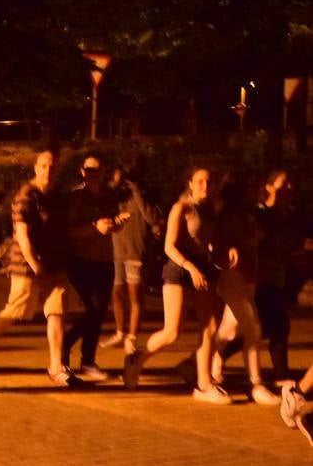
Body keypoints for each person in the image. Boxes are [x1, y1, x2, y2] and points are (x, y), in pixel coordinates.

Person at [122, 167, 229, 402]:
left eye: (209, 181)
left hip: (203, 269)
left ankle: (204, 385)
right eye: (199, 181)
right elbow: (169, 246)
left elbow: (210, 243)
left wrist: (225, 253)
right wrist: (190, 267)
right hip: (179, 269)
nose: (205, 185)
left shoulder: (212, 210)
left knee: (210, 327)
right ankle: (137, 360)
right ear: (190, 184)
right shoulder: (182, 208)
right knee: (172, 332)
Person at [0, 150, 78, 386]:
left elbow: (64, 229)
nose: (48, 170)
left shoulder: (57, 197)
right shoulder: (26, 197)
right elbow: (23, 237)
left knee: (57, 312)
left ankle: (56, 366)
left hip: (55, 263)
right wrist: (36, 266)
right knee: (16, 309)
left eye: (52, 166)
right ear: (36, 167)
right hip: (28, 264)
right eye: (44, 165)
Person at [215, 169, 304, 383]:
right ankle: (269, 379)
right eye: (283, 183)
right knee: (269, 326)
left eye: (290, 183)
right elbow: (229, 239)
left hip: (269, 277)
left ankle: (211, 358)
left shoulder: (286, 215)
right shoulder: (256, 213)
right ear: (269, 187)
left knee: (253, 327)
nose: (288, 188)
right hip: (251, 277)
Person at [208, 176, 280, 405]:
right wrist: (228, 251)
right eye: (252, 188)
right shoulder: (229, 217)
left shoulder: (249, 216)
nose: (256, 192)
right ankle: (256, 384)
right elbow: (214, 244)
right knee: (253, 329)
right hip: (233, 278)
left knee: (229, 330)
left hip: (248, 279)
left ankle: (206, 362)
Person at [60, 156, 123, 382]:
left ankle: (88, 360)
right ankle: (65, 345)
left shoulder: (109, 195)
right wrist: (95, 227)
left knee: (98, 313)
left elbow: (112, 224)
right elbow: (68, 231)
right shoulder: (75, 197)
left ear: (104, 170)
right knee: (94, 309)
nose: (93, 172)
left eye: (97, 168)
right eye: (88, 169)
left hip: (105, 260)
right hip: (80, 259)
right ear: (82, 171)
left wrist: (117, 224)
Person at [103, 167, 156, 354]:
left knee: (135, 296)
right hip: (117, 252)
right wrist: (115, 184)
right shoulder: (114, 197)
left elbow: (152, 218)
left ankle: (131, 337)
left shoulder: (143, 196)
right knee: (116, 293)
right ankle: (120, 331)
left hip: (136, 252)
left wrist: (136, 190)